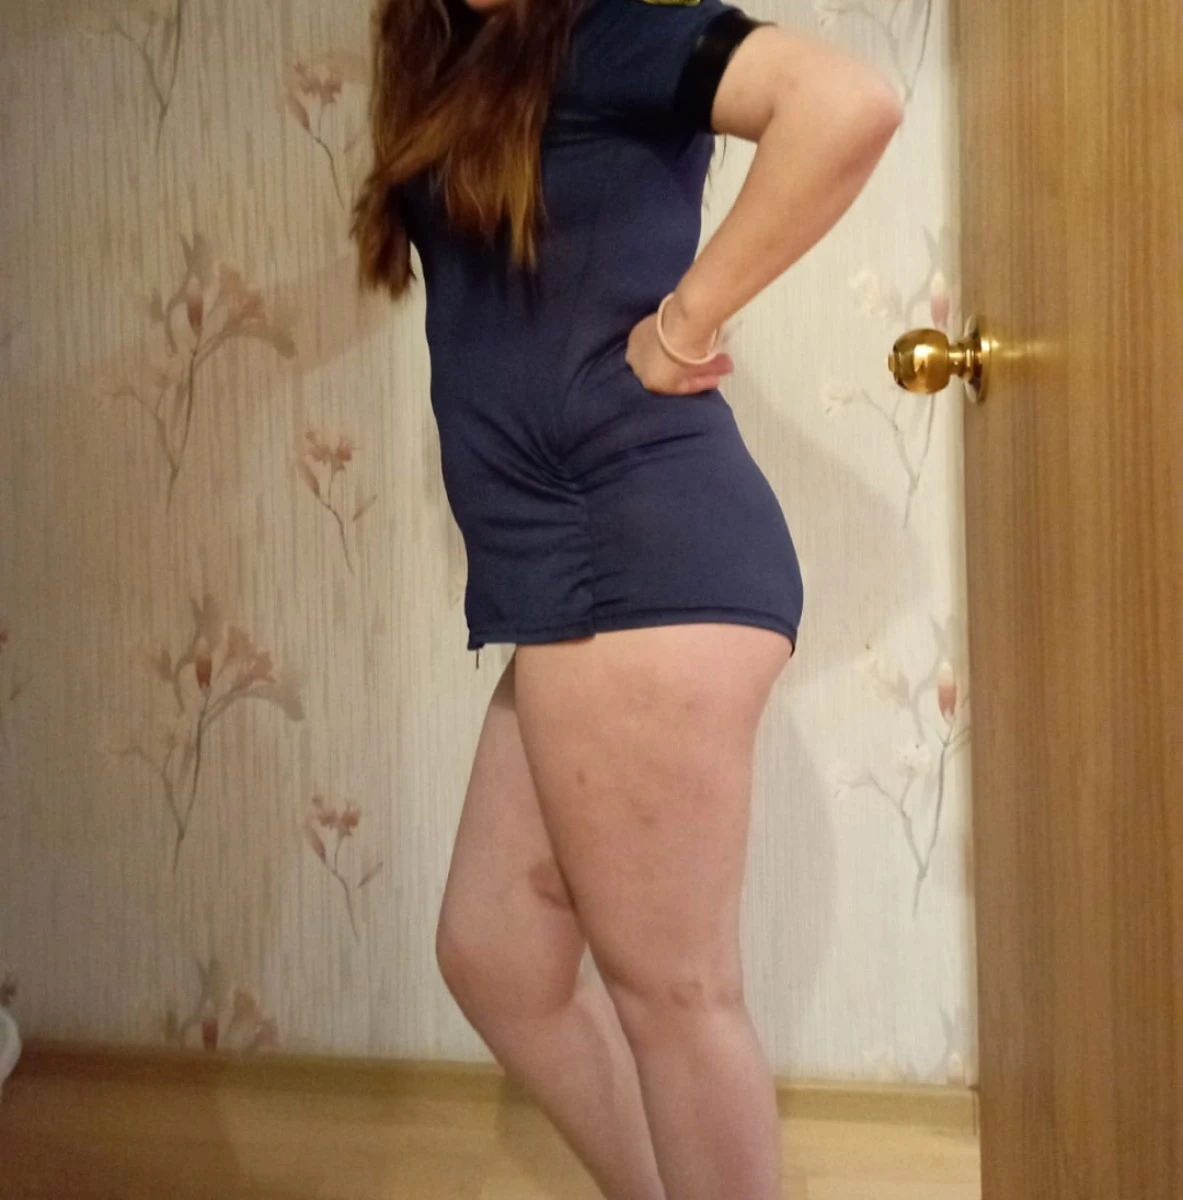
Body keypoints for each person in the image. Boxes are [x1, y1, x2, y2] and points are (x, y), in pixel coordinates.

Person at [352, 2, 900, 1196]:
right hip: (575, 569)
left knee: (675, 995)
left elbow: (845, 103)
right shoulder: (467, 61)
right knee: (498, 952)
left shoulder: (607, 31)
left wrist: (684, 323)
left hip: (635, 549)